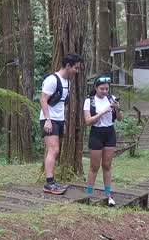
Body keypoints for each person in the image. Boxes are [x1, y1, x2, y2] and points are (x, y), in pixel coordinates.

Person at [40, 53, 84, 194]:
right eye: (75, 68)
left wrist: (62, 121)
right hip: (49, 119)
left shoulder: (68, 82)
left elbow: (60, 104)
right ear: (67, 66)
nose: (77, 71)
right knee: (54, 150)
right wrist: (47, 120)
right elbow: (43, 100)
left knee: (55, 150)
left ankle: (52, 181)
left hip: (58, 120)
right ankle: (49, 184)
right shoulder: (52, 80)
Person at [83, 75, 121, 206]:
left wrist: (117, 108)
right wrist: (103, 112)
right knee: (94, 166)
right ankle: (89, 193)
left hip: (110, 132)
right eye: (102, 89)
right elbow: (88, 121)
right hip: (96, 133)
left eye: (107, 89)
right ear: (96, 88)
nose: (105, 91)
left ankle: (108, 194)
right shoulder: (89, 101)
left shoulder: (112, 99)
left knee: (107, 165)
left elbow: (119, 118)